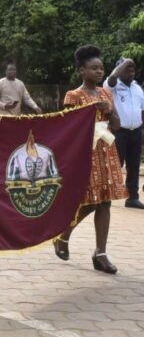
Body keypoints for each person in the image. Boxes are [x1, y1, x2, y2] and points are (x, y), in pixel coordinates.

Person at [54, 45, 127, 274]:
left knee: (105, 202)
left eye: (101, 68)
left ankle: (101, 253)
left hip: (107, 150)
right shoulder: (73, 96)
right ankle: (64, 234)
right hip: (86, 152)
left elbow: (117, 125)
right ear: (82, 71)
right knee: (91, 201)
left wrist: (109, 110)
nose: (99, 72)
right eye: (93, 68)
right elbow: (67, 128)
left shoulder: (106, 93)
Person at [104, 58, 144, 209]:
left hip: (136, 132)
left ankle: (132, 198)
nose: (130, 72)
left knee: (134, 166)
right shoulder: (112, 86)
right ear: (119, 70)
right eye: (126, 69)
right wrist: (124, 63)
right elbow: (111, 79)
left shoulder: (137, 88)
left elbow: (142, 110)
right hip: (119, 131)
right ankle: (105, 194)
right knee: (115, 164)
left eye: (132, 70)